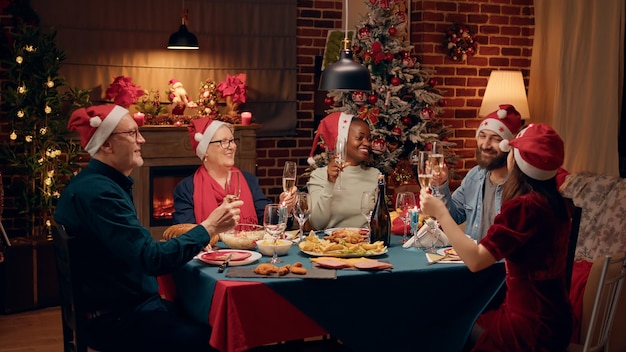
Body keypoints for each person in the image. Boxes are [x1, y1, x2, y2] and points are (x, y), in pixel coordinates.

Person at [54, 105, 242, 351]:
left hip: (123, 307)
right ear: (107, 145)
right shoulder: (100, 194)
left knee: (209, 314)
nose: (141, 139)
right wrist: (208, 227)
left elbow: (131, 249)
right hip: (120, 319)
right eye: (132, 133)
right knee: (220, 334)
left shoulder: (101, 184)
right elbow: (150, 259)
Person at [419, 123, 573, 351]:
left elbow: (476, 261)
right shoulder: (555, 202)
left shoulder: (524, 208)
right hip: (556, 319)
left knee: (443, 323)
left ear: (518, 161)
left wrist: (440, 211)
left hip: (528, 327)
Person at [173, 117, 296, 226]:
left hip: (249, 250)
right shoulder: (186, 188)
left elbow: (268, 222)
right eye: (223, 142)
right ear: (205, 151)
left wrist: (284, 208)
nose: (231, 147)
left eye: (232, 141)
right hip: (209, 251)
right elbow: (186, 235)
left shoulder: (249, 180)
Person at [432, 104, 523, 242]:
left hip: (502, 263)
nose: (485, 145)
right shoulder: (475, 175)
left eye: (496, 139)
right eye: (482, 136)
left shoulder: (523, 185)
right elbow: (453, 217)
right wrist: (440, 185)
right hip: (472, 261)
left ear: (509, 145)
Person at [306, 112, 380, 229]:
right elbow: (317, 224)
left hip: (366, 245)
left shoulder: (375, 175)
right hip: (330, 244)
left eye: (368, 139)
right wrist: (330, 183)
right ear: (342, 140)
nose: (367, 143)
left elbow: (378, 221)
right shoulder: (319, 175)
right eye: (359, 138)